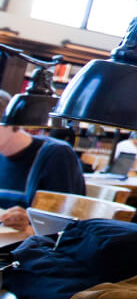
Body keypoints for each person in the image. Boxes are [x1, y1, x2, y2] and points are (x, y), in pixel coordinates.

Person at [0, 91, 85, 232]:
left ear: (9, 122)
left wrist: (28, 226)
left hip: (28, 249)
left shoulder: (57, 155)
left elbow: (68, 230)